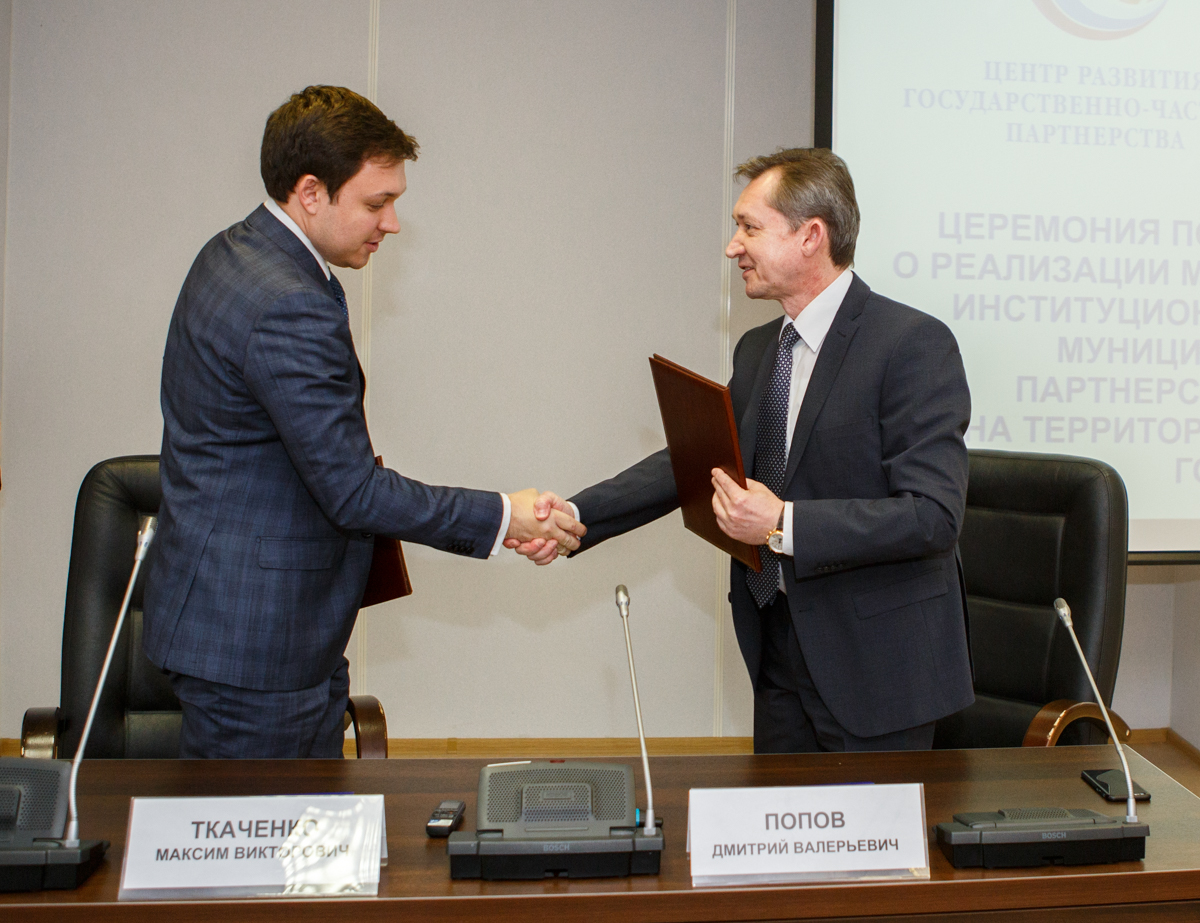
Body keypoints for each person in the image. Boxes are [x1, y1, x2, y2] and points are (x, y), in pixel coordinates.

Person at [144, 85, 584, 759]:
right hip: (258, 646)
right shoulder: (287, 301)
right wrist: (505, 516)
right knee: (270, 829)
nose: (393, 223)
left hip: (247, 624)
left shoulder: (235, 252)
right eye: (377, 203)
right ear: (311, 192)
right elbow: (351, 491)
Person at [513, 148, 973, 753]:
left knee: (866, 822)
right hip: (777, 647)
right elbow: (695, 462)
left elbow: (932, 516)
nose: (733, 247)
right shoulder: (759, 349)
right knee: (780, 816)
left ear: (810, 236)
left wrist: (781, 522)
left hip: (879, 668)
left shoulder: (912, 344)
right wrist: (576, 516)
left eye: (749, 228)